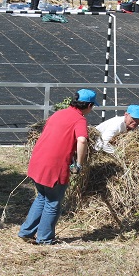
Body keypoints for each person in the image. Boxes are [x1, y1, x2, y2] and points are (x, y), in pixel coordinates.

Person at [18, 89, 98, 245]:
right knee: (53, 201)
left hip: (38, 161)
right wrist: (79, 164)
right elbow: (82, 140)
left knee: (42, 197)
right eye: (92, 106)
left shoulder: (58, 113)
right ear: (88, 105)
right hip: (54, 166)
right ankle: (45, 239)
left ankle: (26, 232)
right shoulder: (79, 120)